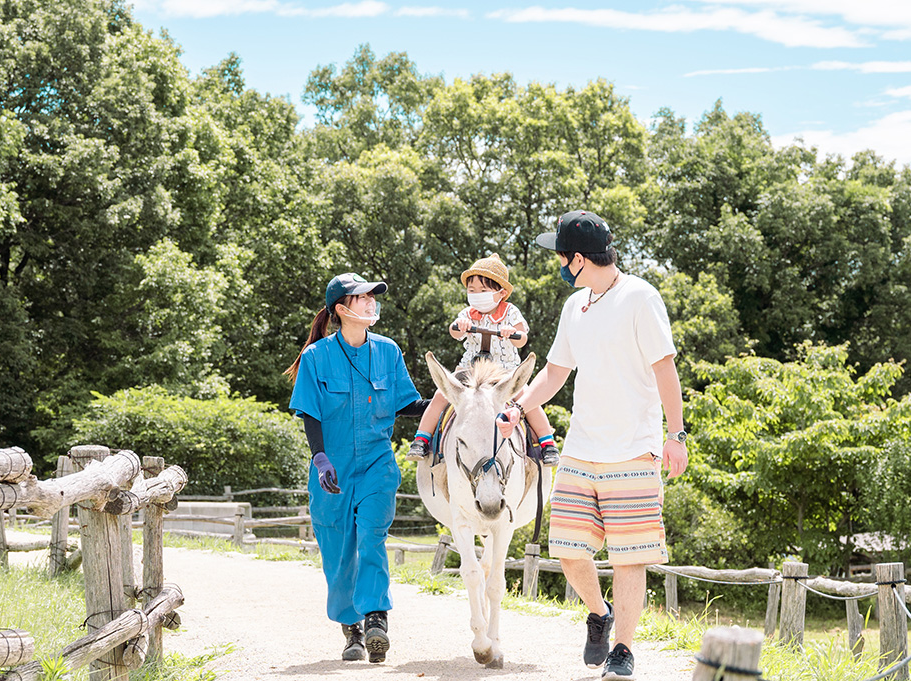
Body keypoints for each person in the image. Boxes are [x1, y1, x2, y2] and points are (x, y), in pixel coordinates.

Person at [495, 211, 688, 681]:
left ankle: (623, 649)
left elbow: (665, 368)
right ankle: (600, 614)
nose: (559, 264)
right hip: (581, 448)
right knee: (567, 548)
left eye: (561, 256)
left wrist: (675, 435)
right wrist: (518, 406)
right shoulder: (574, 305)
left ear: (578, 258)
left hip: (633, 450)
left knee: (629, 556)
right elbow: (556, 372)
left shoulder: (641, 297)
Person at [285, 272, 429, 664]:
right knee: (338, 552)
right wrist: (320, 458)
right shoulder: (316, 357)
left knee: (371, 536)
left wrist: (445, 400)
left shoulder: (388, 351)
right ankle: (351, 629)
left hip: (377, 465)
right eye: (362, 297)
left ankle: (376, 617)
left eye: (372, 296)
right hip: (332, 470)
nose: (371, 302)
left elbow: (406, 403)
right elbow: (310, 412)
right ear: (341, 309)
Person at [407, 253, 559, 466]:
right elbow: (454, 331)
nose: (476, 295)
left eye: (483, 290)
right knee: (441, 394)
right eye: (471, 290)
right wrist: (460, 327)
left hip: (503, 370)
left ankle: (546, 442)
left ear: (501, 293)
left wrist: (511, 332)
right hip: (471, 370)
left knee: (526, 397)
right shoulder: (468, 313)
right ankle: (422, 438)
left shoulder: (510, 312)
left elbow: (522, 338)